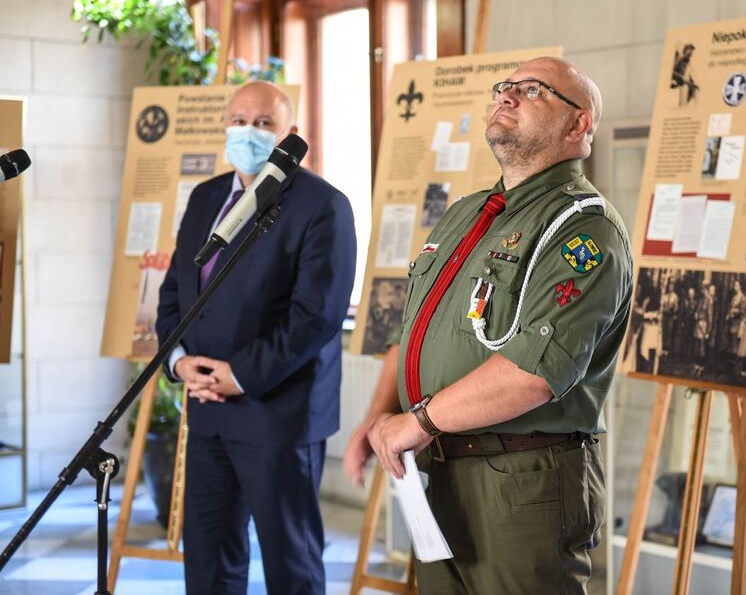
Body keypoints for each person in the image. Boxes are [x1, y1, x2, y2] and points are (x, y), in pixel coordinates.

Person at [343, 56, 632, 594]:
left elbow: (533, 373)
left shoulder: (584, 228)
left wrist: (418, 421)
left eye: (533, 90)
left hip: (522, 479)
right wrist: (379, 414)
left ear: (578, 125)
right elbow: (416, 327)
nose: (507, 95)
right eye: (505, 86)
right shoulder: (467, 214)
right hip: (442, 468)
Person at [156, 81, 356, 595]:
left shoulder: (322, 205)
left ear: (289, 133)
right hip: (207, 410)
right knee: (208, 562)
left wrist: (239, 374)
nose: (249, 130)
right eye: (240, 119)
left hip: (278, 413)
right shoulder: (204, 199)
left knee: (291, 568)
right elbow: (175, 295)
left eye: (264, 122)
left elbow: (317, 316)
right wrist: (179, 362)